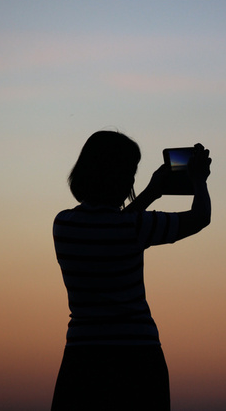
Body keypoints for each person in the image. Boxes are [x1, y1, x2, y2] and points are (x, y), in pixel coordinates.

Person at [51, 130, 212, 411]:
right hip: (138, 355)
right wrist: (199, 181)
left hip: (82, 354)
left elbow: (109, 227)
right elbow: (200, 218)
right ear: (122, 177)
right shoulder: (136, 227)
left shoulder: (63, 225)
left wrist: (151, 193)